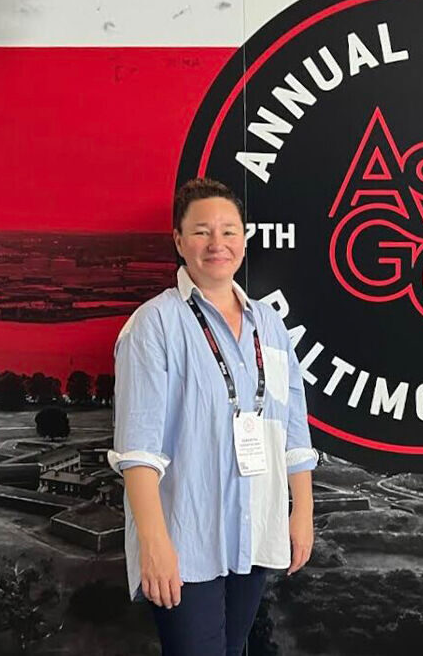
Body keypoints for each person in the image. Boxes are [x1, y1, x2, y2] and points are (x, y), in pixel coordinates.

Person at [108, 177, 318, 656]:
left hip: (255, 530)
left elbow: (294, 428)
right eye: (201, 231)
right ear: (180, 241)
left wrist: (301, 512)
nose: (216, 243)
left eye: (228, 230)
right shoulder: (154, 324)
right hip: (185, 538)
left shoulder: (271, 324)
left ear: (244, 239)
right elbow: (138, 449)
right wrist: (154, 544)